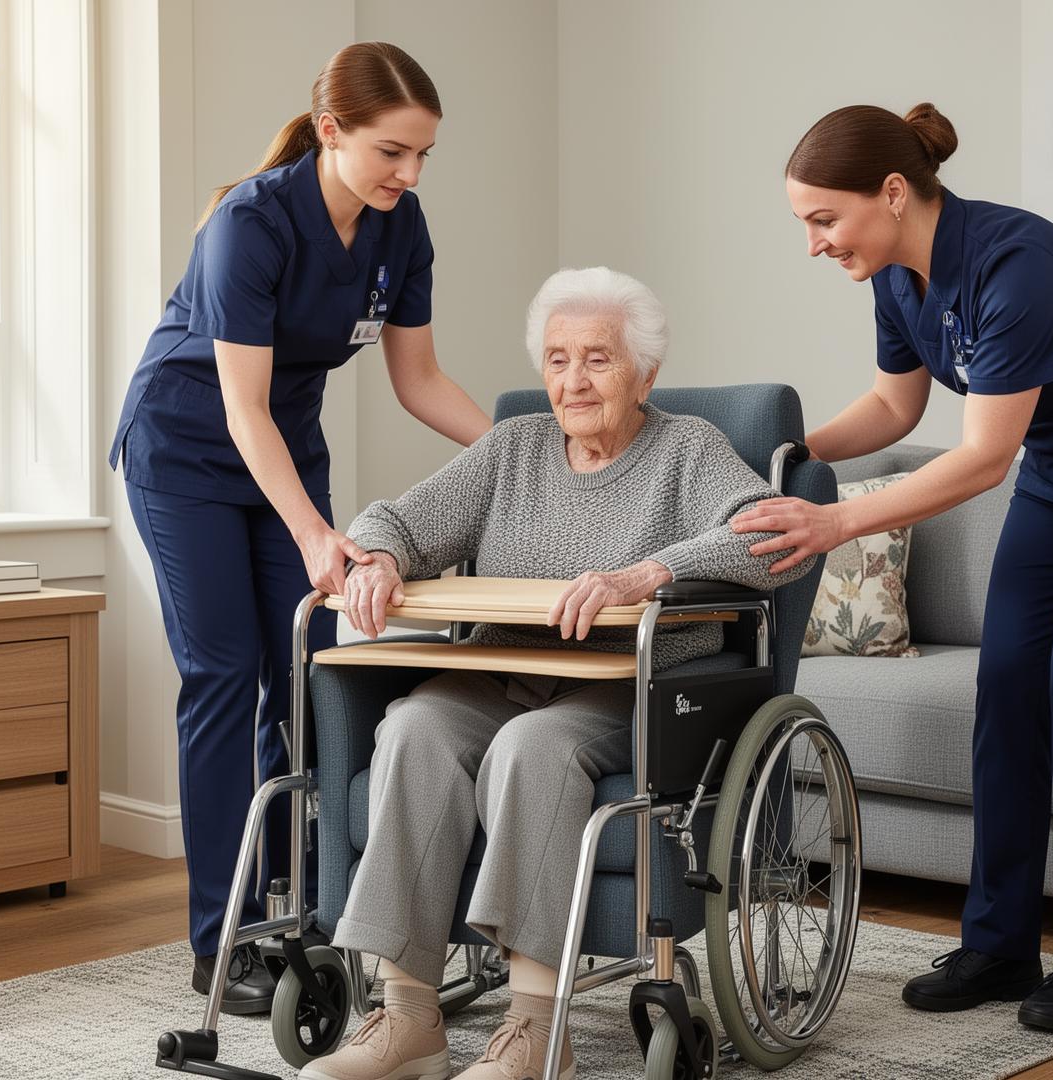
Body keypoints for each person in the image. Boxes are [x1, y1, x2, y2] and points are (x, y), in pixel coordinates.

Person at [735, 103, 1053, 1035]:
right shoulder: (895, 276)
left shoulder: (1017, 265)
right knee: (1006, 682)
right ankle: (1000, 942)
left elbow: (977, 460)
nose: (813, 244)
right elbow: (892, 406)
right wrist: (779, 451)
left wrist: (834, 518)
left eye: (823, 219)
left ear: (892, 193)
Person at [299, 267, 813, 1080]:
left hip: (622, 689)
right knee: (414, 726)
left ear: (644, 372)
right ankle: (408, 1022)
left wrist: (646, 573)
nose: (573, 381)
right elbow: (396, 517)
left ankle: (539, 1031)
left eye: (599, 359)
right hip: (500, 672)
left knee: (531, 749)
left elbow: (769, 539)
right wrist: (379, 559)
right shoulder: (513, 447)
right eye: (558, 359)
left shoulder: (688, 451)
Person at [108, 42, 490, 1014]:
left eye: (423, 157)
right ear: (332, 132)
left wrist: (523, 445)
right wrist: (321, 537)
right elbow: (243, 410)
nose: (408, 175)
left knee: (312, 675)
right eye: (391, 152)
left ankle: (305, 913)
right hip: (187, 453)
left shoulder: (400, 233)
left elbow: (419, 382)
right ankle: (225, 939)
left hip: (287, 453)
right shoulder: (251, 222)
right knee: (227, 672)